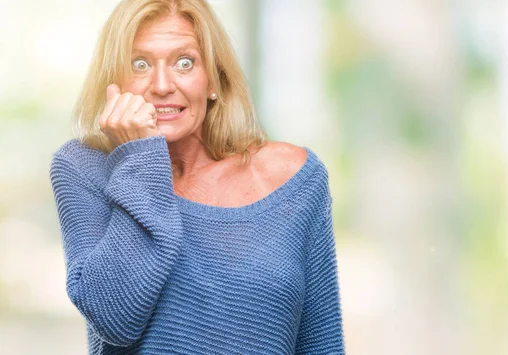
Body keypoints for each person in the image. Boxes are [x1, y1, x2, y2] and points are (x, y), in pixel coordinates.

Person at [48, 0, 345, 354]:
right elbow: (114, 319)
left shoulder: (294, 179)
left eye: (184, 62)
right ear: (114, 81)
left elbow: (321, 343)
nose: (161, 85)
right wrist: (141, 156)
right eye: (139, 64)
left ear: (213, 80)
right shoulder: (85, 168)